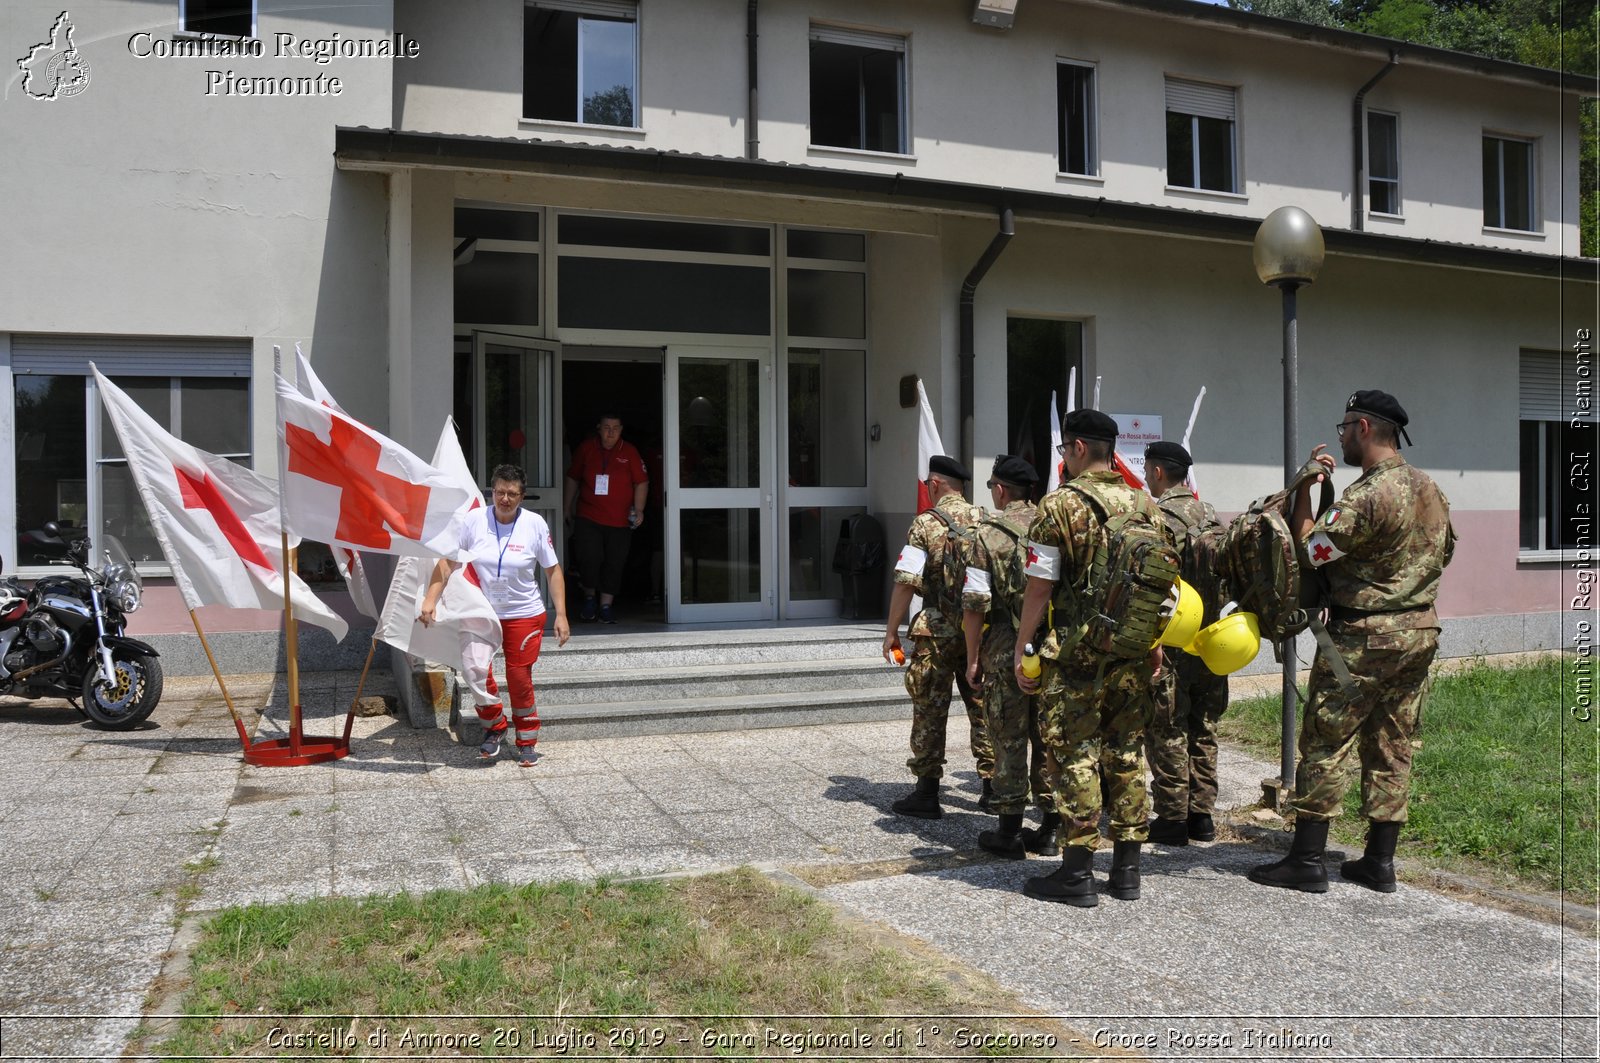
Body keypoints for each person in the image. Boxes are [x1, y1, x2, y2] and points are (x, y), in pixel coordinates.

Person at [1250, 390, 1454, 894]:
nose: (1340, 436)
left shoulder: (1366, 496)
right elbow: (1443, 555)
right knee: (1393, 740)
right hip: (1417, 635)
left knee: (1327, 737)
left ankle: (1307, 860)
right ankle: (1379, 861)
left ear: (1364, 428)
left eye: (1344, 427)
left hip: (1359, 641)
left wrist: (1305, 489)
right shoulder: (1431, 489)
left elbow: (1311, 550)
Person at [1013, 409, 1167, 906]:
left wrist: (1022, 646)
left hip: (1078, 654)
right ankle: (1126, 872)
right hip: (1134, 651)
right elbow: (1160, 587)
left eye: (1064, 449)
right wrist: (1154, 641)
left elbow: (1039, 588)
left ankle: (1077, 874)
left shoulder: (1058, 507)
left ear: (1078, 448)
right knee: (1126, 752)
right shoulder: (1148, 505)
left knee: (1075, 754)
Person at [420, 464, 571, 766]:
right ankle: (494, 728)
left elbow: (552, 571)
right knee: (474, 668)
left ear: (522, 496)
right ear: (492, 492)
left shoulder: (535, 524)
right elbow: (448, 563)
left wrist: (562, 614)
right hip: (481, 609)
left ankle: (527, 739)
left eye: (512, 494)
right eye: (500, 492)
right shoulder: (474, 520)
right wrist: (430, 599)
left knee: (518, 677)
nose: (505, 499)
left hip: (524, 614)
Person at [881, 455, 995, 819]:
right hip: (981, 631)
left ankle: (927, 793)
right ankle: (994, 791)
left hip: (936, 631)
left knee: (930, 709)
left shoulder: (925, 525)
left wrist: (891, 632)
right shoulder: (988, 520)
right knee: (983, 708)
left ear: (933, 484)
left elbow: (906, 581)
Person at [961, 455, 1059, 858]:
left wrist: (972, 657)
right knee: (1049, 737)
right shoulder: (1052, 524)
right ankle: (1052, 828)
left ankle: (1009, 831)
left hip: (1004, 646)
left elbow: (975, 603)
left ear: (1000, 490)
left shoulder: (987, 535)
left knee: (1008, 736)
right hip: (1053, 646)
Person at [1142, 440, 1229, 846]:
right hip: (1213, 642)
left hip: (1173, 642)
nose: (1145, 477)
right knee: (1204, 727)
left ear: (1158, 472)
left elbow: (1153, 585)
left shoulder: (1158, 519)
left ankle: (1172, 817)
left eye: (1146, 470)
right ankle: (1202, 817)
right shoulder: (1211, 516)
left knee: (1168, 728)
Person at [563, 412, 649, 624]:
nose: (610, 432)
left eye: (615, 428)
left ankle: (606, 605)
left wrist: (638, 510)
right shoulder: (586, 448)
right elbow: (573, 478)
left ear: (621, 430)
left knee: (614, 563)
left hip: (619, 520)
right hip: (588, 516)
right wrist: (566, 507)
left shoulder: (629, 452)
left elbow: (642, 481)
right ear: (599, 428)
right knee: (589, 559)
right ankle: (590, 599)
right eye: (606, 427)